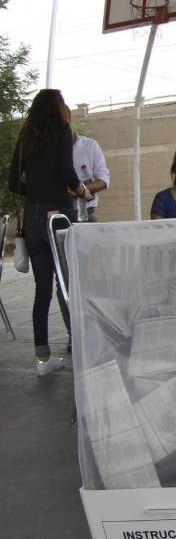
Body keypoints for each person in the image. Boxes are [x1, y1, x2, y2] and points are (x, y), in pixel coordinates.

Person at [6, 89, 92, 375]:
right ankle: (79, 346)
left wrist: (36, 189)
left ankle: (42, 358)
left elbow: (12, 183)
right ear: (58, 108)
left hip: (32, 217)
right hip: (58, 215)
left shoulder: (26, 136)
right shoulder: (63, 131)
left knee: (41, 288)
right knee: (66, 283)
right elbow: (68, 173)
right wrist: (83, 191)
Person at [71, 128, 110, 222]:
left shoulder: (90, 145)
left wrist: (78, 190)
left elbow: (103, 180)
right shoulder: (51, 147)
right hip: (60, 214)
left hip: (87, 214)